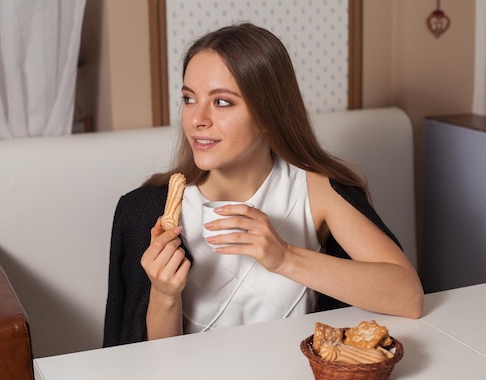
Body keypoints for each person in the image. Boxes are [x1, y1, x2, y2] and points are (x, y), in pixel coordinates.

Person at [103, 23, 423, 347]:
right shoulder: (144, 212)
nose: (197, 118)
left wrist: (285, 257)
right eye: (189, 98)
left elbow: (408, 296)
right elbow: (153, 364)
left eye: (222, 102)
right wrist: (164, 293)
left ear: (269, 114)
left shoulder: (317, 192)